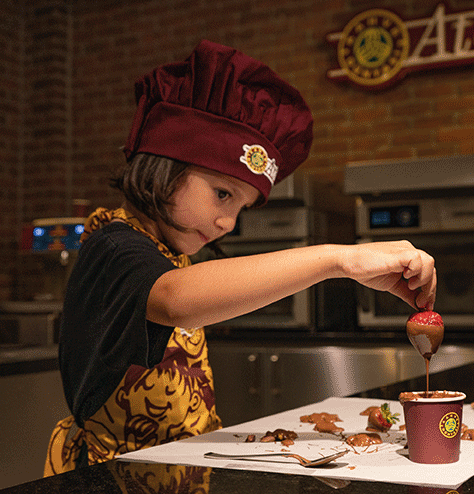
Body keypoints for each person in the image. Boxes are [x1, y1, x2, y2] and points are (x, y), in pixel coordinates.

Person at [44, 40, 436, 475]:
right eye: (222, 193)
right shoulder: (115, 245)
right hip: (116, 476)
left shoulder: (168, 253)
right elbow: (176, 300)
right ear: (164, 163)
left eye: (240, 207)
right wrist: (338, 261)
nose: (228, 222)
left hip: (179, 470)